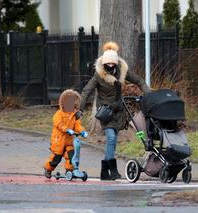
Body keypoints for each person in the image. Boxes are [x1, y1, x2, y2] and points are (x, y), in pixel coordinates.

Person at [78, 41, 151, 180]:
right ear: (104, 63)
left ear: (116, 63)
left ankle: (104, 173)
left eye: (113, 63)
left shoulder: (122, 72)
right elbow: (86, 91)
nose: (111, 66)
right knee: (111, 138)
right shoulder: (98, 76)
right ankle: (113, 170)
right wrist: (80, 109)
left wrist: (149, 93)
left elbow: (139, 81)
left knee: (113, 140)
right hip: (105, 112)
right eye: (108, 64)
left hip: (118, 111)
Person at [44, 89, 88, 179]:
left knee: (71, 156)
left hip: (69, 141)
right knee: (56, 158)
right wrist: (67, 129)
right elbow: (58, 124)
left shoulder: (74, 115)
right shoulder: (59, 114)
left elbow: (77, 125)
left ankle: (69, 171)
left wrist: (82, 131)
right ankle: (48, 169)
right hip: (58, 141)